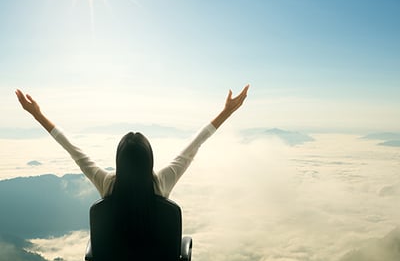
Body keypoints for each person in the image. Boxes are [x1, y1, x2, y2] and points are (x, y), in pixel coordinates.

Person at [15, 86, 249, 204]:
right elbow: (195, 145)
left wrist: (37, 115)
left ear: (119, 160)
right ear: (149, 159)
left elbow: (73, 150)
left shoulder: (108, 184)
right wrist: (226, 112)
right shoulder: (161, 182)